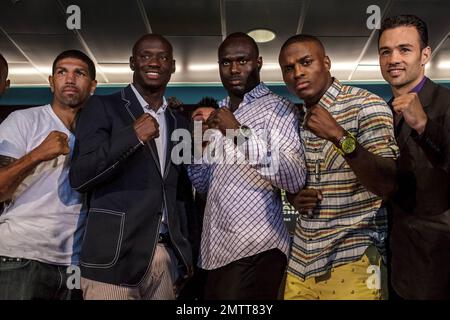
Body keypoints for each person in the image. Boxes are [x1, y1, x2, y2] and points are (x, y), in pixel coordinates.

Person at [69, 34, 194, 300]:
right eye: (146, 55)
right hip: (112, 260)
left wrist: (185, 254)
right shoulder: (102, 106)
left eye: (162, 57)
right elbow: (80, 176)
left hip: (163, 258)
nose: (154, 62)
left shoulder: (180, 123)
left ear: (172, 66)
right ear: (132, 62)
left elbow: (182, 193)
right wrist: (132, 136)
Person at [279, 34, 399, 300]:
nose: (297, 72)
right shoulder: (294, 120)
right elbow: (297, 179)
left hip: (354, 258)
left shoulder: (366, 105)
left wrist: (339, 136)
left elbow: (387, 185)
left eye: (305, 62)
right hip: (301, 262)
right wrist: (294, 196)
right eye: (288, 68)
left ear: (327, 62)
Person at [188, 32, 306, 300]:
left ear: (259, 62)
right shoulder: (219, 112)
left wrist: (237, 133)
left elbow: (294, 176)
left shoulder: (278, 109)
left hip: (257, 247)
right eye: (226, 62)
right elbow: (207, 187)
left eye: (243, 61)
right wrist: (197, 151)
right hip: (215, 250)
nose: (234, 69)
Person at [0, 50, 97, 299]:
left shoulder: (99, 133)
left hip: (75, 262)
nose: (70, 79)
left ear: (93, 85)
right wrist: (38, 154)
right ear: (51, 81)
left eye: (80, 73)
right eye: (62, 72)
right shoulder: (22, 121)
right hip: (21, 256)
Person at [378, 14, 450, 299]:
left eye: (404, 49)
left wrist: (424, 126)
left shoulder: (446, 103)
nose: (394, 59)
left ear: (425, 55)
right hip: (397, 262)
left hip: (440, 262)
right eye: (386, 51)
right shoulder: (382, 112)